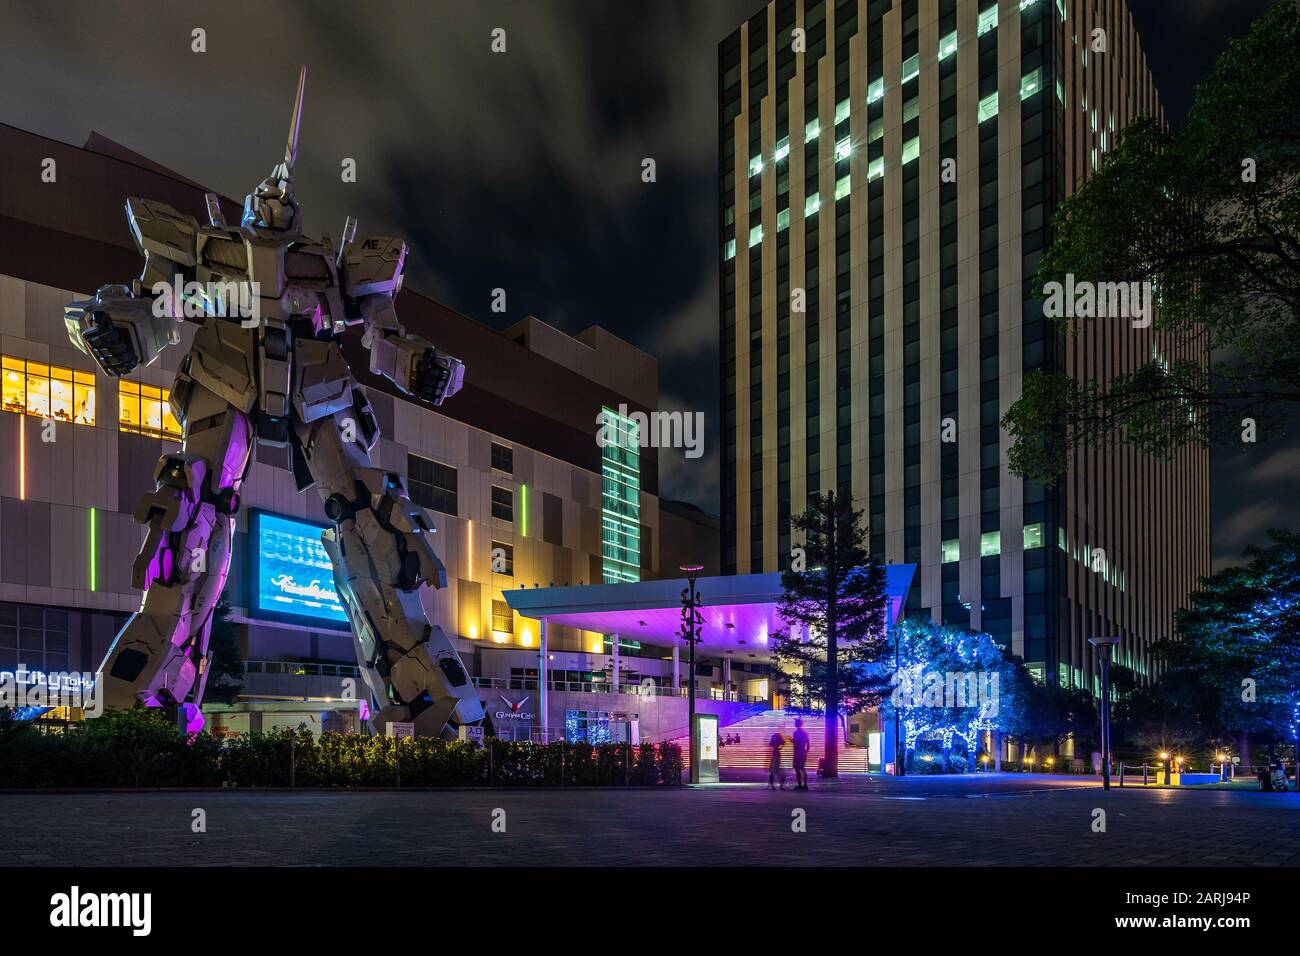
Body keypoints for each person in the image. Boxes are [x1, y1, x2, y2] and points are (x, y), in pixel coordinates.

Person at [791, 717, 810, 790]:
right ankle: (805, 785)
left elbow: (796, 743)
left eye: (796, 722)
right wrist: (806, 752)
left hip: (797, 752)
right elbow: (808, 744)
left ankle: (800, 784)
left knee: (797, 769)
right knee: (803, 769)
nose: (794, 723)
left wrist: (791, 741)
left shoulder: (795, 733)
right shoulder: (805, 733)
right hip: (803, 752)